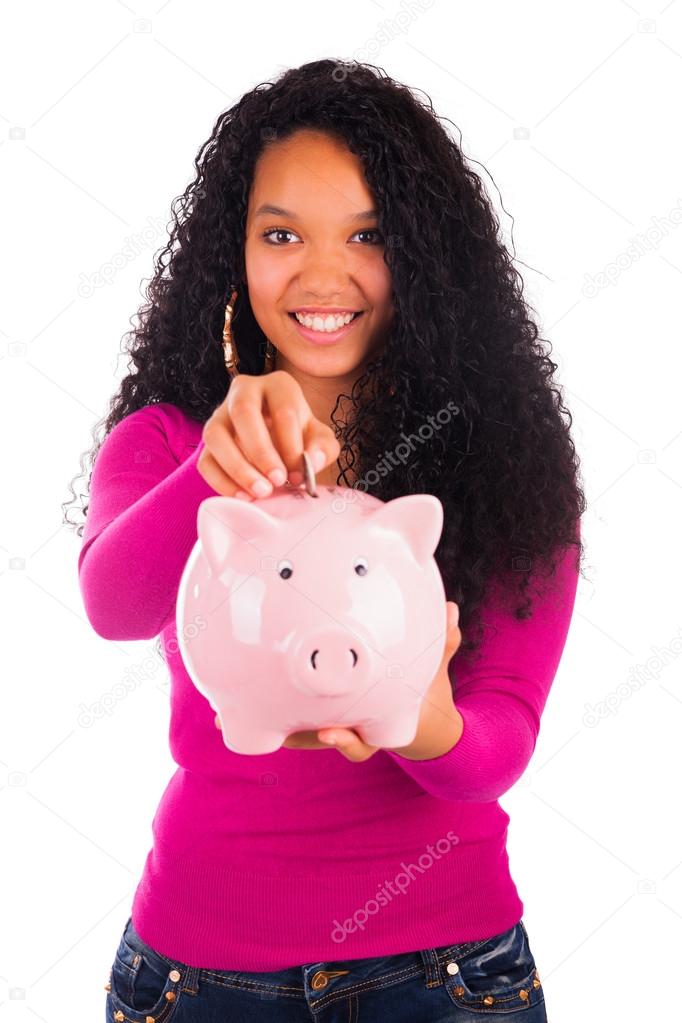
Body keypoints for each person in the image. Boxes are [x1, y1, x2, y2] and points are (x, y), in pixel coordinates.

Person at [66, 58, 585, 1022]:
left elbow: (500, 738)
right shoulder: (169, 441)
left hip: (445, 970)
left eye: (368, 236)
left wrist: (423, 722)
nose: (320, 275)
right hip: (200, 974)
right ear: (235, 254)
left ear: (425, 257)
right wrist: (218, 462)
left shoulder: (503, 459)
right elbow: (112, 604)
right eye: (280, 234)